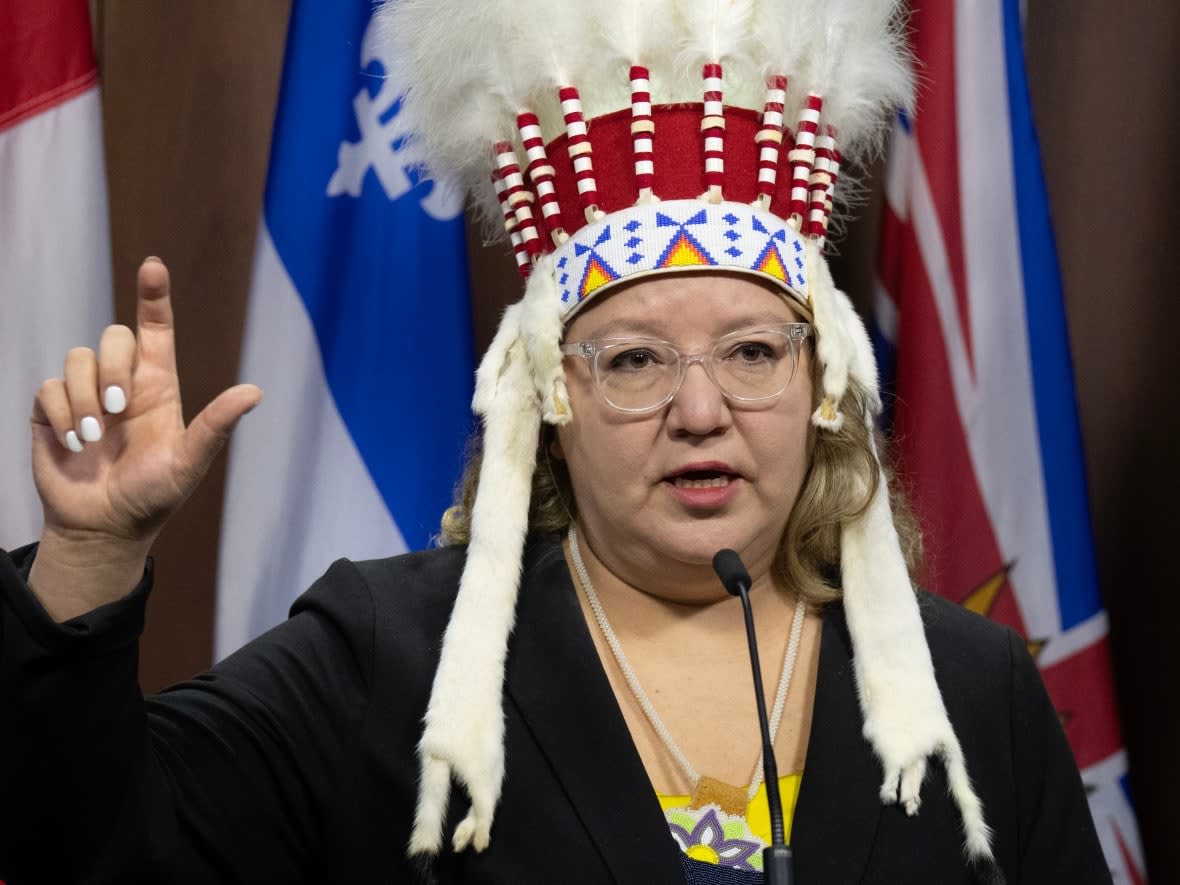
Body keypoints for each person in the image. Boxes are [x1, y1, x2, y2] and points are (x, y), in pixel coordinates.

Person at [0, 1, 1110, 883]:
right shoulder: (384, 656)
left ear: (823, 381)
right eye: (632, 361)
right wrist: (92, 557)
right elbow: (84, 848)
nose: (700, 409)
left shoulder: (971, 689)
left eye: (752, 353)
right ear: (547, 397)